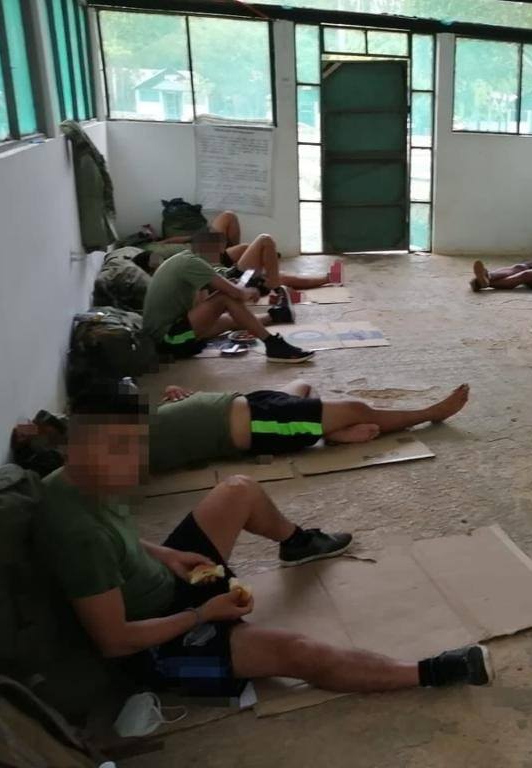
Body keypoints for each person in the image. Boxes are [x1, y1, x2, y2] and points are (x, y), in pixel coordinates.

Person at [34, 379, 493, 701]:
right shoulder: (80, 536)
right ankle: (430, 672)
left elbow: (119, 539)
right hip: (154, 647)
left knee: (238, 490)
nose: (134, 462)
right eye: (118, 449)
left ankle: (296, 542)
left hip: (167, 584)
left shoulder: (76, 479)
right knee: (298, 653)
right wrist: (203, 614)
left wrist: (166, 553)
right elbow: (115, 642)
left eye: (136, 445)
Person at [148, 380, 471, 473]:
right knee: (356, 410)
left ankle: (327, 431)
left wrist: (174, 397)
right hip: (261, 424)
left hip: (249, 402)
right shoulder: (134, 448)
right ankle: (431, 413)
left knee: (302, 384)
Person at [141, 248, 313, 363]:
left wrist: (231, 288)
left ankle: (277, 314)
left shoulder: (183, 263)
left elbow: (201, 307)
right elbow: (236, 294)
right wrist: (249, 290)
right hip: (168, 340)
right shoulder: (191, 263)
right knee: (225, 298)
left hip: (168, 334)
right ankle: (272, 344)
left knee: (228, 317)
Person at [162, 210, 338, 291]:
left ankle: (267, 269)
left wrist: (167, 241)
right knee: (265, 243)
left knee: (229, 218)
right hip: (228, 273)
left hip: (218, 261)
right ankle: (327, 278)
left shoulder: (179, 257)